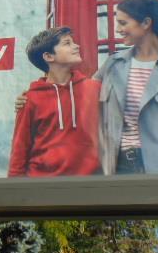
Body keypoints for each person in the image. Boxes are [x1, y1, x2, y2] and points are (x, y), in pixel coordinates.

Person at [15, 0, 158, 175]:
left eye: (123, 23)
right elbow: (76, 90)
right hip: (119, 165)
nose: (118, 29)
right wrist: (33, 96)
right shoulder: (114, 63)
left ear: (146, 23)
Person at [7, 27, 101, 177]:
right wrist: (14, 188)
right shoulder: (30, 99)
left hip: (89, 182)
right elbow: (19, 150)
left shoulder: (95, 89)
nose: (76, 46)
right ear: (49, 56)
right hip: (43, 183)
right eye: (67, 43)